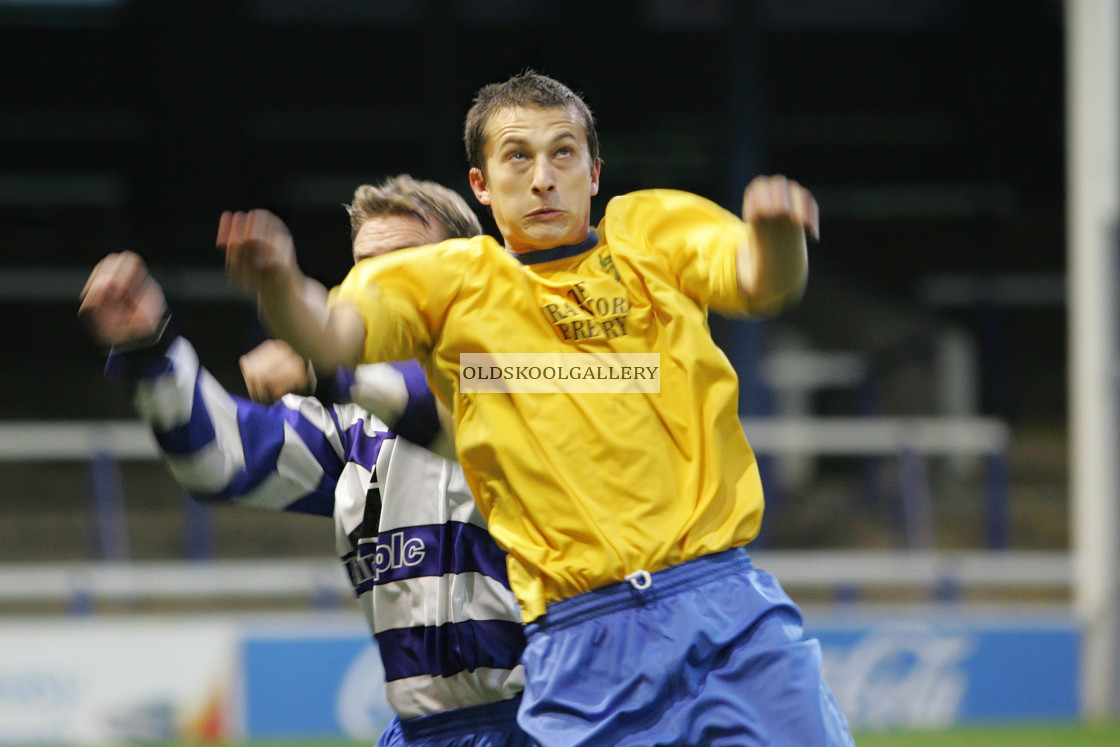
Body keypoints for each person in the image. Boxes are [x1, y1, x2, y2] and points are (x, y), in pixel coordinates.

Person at [218, 72, 854, 746]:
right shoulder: (448, 281)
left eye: (563, 153)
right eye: (518, 156)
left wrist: (779, 234)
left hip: (725, 606)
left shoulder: (651, 233)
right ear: (482, 184)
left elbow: (760, 280)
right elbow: (332, 333)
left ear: (594, 172)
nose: (543, 177)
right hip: (581, 642)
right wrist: (280, 286)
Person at [80, 176, 533, 747]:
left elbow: (448, 395)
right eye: (364, 268)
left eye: (402, 265)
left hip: (548, 719)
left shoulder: (523, 375)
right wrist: (152, 351)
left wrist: (329, 373)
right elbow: (219, 461)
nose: (378, 285)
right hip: (425, 731)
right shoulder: (353, 424)